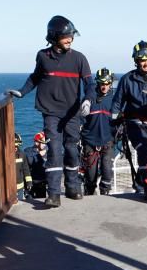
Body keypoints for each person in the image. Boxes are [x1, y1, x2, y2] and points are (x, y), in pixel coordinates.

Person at [8, 15, 95, 207]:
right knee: (54, 150)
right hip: (51, 112)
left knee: (71, 149)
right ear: (54, 37)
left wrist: (88, 101)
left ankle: (73, 187)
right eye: (66, 36)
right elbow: (35, 78)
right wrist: (22, 92)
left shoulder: (79, 58)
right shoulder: (43, 56)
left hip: (72, 114)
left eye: (71, 36)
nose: (70, 39)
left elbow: (90, 83)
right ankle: (54, 194)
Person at [111, 40, 147, 200]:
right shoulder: (127, 80)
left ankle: (140, 180)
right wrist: (113, 123)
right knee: (144, 151)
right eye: (142, 60)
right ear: (136, 61)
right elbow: (116, 103)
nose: (146, 63)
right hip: (135, 122)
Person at [81, 68, 117, 196]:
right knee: (91, 176)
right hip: (90, 142)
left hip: (107, 141)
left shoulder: (114, 99)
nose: (105, 86)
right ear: (97, 83)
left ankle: (105, 195)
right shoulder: (89, 99)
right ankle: (90, 195)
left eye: (107, 83)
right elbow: (80, 120)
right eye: (102, 83)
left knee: (107, 171)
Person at [24, 132, 49, 199]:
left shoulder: (47, 151)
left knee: (41, 199)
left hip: (42, 182)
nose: (45, 144)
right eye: (43, 142)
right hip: (32, 182)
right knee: (29, 199)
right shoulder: (28, 151)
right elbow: (31, 162)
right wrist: (39, 155)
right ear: (36, 142)